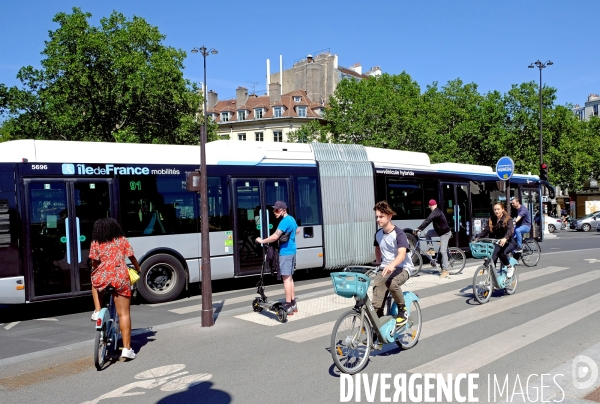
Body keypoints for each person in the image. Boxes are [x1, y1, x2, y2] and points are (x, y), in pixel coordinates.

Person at [89, 218, 141, 361]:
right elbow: (132, 257)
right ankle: (126, 349)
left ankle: (98, 310)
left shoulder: (96, 242)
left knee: (94, 281)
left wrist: (99, 269)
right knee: (124, 314)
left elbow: (94, 262)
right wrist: (138, 269)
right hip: (120, 276)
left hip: (103, 275)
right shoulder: (121, 239)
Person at [372, 201, 414, 330]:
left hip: (403, 268)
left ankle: (403, 310)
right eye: (377, 217)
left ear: (389, 216)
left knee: (392, 283)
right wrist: (379, 262)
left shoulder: (399, 234)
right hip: (386, 268)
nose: (378, 219)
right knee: (376, 298)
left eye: (381, 216)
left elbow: (402, 255)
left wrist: (391, 265)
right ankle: (378, 328)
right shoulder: (378, 234)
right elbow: (377, 248)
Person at [256, 201, 299, 315]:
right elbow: (297, 230)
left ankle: (288, 305)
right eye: (274, 210)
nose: (274, 212)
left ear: (283, 210)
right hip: (292, 250)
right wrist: (289, 235)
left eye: (277, 210)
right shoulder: (292, 219)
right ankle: (293, 303)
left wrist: (262, 240)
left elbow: (275, 236)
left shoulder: (284, 222)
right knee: (290, 278)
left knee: (286, 278)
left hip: (285, 252)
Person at [474, 202, 516, 278]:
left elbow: (509, 231)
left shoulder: (508, 219)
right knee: (491, 258)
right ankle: (491, 281)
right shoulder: (492, 219)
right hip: (497, 242)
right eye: (495, 209)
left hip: (508, 242)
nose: (496, 211)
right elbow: (486, 231)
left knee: (501, 253)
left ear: (502, 209)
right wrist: (477, 238)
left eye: (498, 209)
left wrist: (505, 238)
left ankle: (509, 267)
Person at [414, 199, 452, 278]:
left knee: (443, 251)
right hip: (439, 231)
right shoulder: (436, 211)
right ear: (436, 204)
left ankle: (445, 271)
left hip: (445, 233)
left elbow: (428, 220)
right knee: (427, 234)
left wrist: (419, 228)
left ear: (429, 206)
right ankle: (432, 253)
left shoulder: (435, 212)